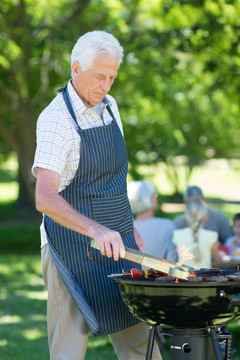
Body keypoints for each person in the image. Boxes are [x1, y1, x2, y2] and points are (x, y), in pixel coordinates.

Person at [31, 31, 161, 360]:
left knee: (141, 342)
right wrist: (96, 230)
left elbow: (114, 178)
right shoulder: (56, 120)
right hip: (69, 248)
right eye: (99, 76)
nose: (105, 86)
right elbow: (44, 198)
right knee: (68, 350)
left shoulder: (110, 106)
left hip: (118, 242)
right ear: (76, 69)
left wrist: (128, 227)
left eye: (112, 77)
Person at [128, 180, 176, 262]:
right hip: (160, 274)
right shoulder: (167, 225)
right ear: (149, 199)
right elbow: (173, 258)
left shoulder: (127, 229)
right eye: (154, 195)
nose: (156, 198)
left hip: (134, 273)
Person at [172, 199, 222, 269]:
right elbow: (218, 260)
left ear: (185, 217)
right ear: (206, 217)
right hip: (205, 278)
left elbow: (172, 257)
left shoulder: (177, 234)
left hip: (183, 277)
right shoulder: (212, 235)